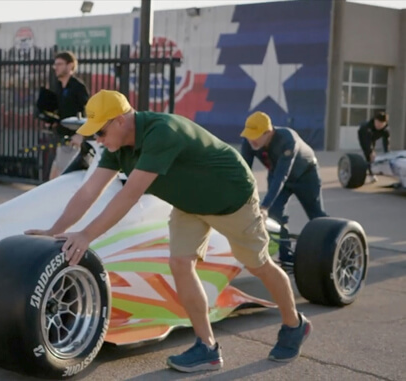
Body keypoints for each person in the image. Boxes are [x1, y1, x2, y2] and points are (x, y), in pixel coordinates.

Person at [26, 90, 312, 372]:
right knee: (179, 264)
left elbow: (128, 195)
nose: (97, 140)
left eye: (100, 132)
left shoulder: (161, 132)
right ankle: (207, 348)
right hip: (189, 202)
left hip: (230, 197)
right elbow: (89, 190)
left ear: (120, 121)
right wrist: (55, 231)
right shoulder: (117, 146)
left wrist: (86, 235)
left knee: (258, 264)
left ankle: (293, 324)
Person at [240, 111, 328, 269]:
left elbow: (282, 175)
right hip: (276, 173)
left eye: (255, 135)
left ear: (268, 132)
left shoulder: (287, 139)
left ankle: (330, 252)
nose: (251, 139)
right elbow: (243, 173)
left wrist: (264, 205)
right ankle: (286, 257)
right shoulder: (249, 141)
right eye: (248, 135)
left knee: (317, 217)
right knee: (275, 216)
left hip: (305, 175)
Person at [48, 51, 90, 179]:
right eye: (55, 65)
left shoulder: (78, 87)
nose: (56, 68)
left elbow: (91, 112)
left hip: (74, 141)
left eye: (60, 64)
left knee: (60, 179)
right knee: (54, 177)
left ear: (70, 65)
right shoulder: (59, 86)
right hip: (62, 138)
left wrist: (81, 135)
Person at [358, 110, 390, 183]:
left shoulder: (386, 130)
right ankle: (371, 174)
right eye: (378, 123)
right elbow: (367, 143)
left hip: (374, 137)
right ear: (375, 120)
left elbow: (386, 143)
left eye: (382, 124)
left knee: (376, 153)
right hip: (364, 135)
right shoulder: (367, 128)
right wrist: (371, 151)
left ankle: (373, 169)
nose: (379, 125)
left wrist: (387, 154)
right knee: (369, 155)